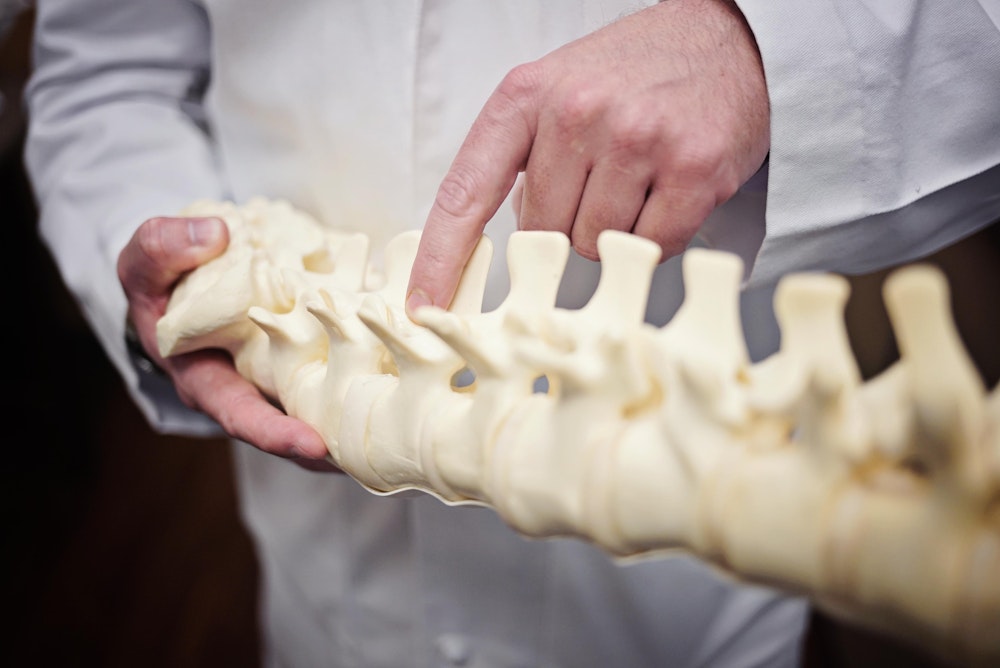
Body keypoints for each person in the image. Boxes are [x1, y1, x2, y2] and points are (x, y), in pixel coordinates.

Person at [24, 0, 1000, 666]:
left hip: (688, 617)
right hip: (327, 592)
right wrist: (155, 249)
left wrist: (771, 50)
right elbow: (106, 76)